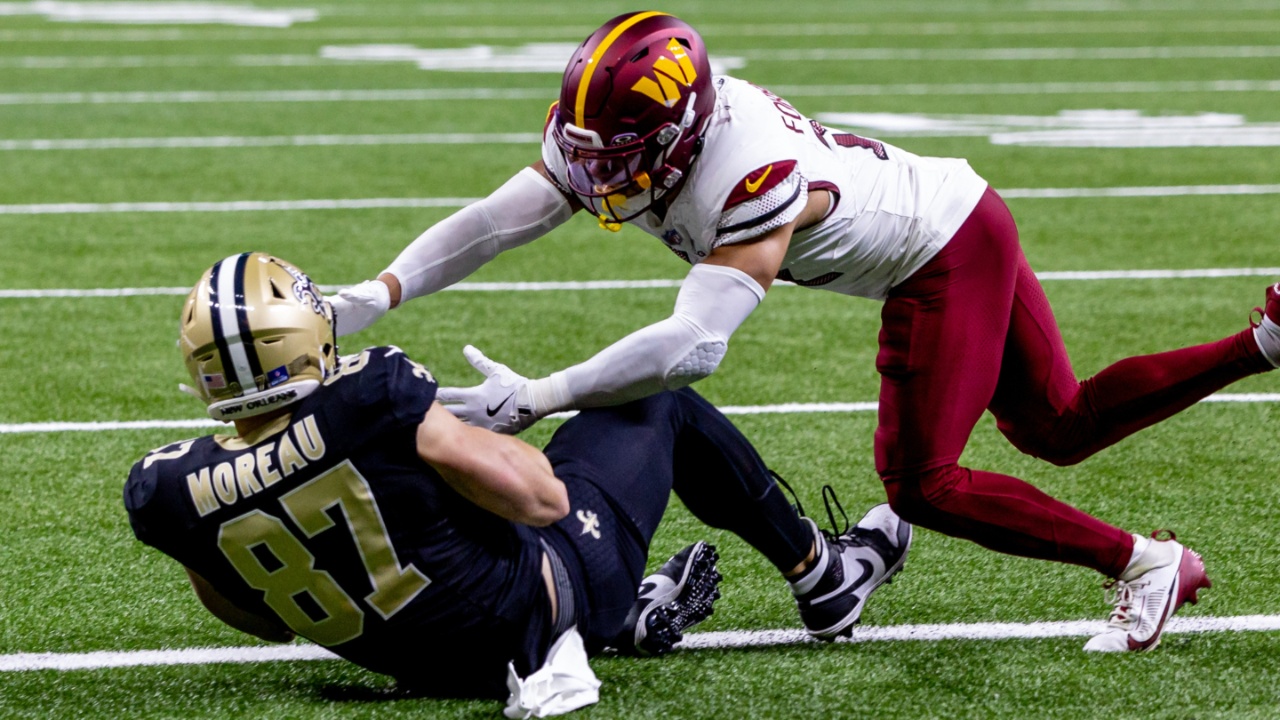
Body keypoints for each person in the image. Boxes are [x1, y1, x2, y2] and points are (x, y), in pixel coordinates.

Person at [328, 11, 1280, 653]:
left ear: (681, 138)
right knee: (1058, 425)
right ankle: (1265, 343)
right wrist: (380, 292)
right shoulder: (649, 139)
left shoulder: (750, 174)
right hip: (956, 207)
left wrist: (537, 396)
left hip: (941, 250)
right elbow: (500, 218)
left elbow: (692, 347)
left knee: (924, 482)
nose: (597, 182)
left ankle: (1145, 563)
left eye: (620, 161)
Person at [124, 252, 912, 717]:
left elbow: (260, 621)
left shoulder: (165, 485)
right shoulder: (372, 396)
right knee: (655, 402)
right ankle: (823, 573)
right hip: (540, 600)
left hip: (423, 668)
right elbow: (543, 500)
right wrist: (473, 435)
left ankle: (622, 618)